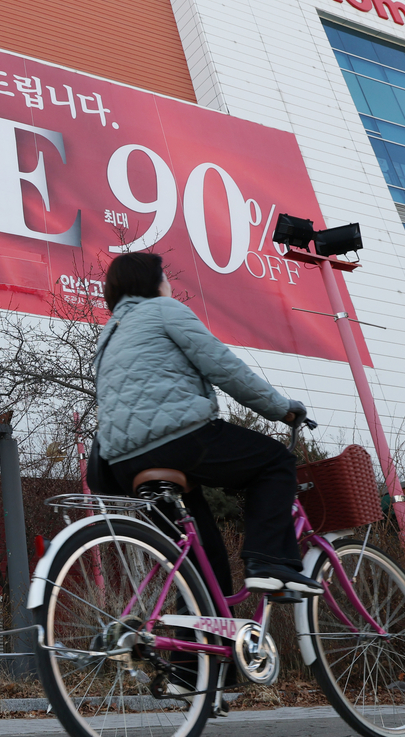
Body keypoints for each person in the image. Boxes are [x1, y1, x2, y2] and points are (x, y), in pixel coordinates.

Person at [93, 251, 322, 597]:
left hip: (124, 463)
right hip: (177, 440)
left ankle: (197, 647)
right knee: (275, 462)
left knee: (203, 567)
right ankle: (269, 561)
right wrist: (282, 410)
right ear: (154, 282)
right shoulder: (164, 310)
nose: (168, 283)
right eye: (165, 276)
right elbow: (225, 368)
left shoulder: (108, 334)